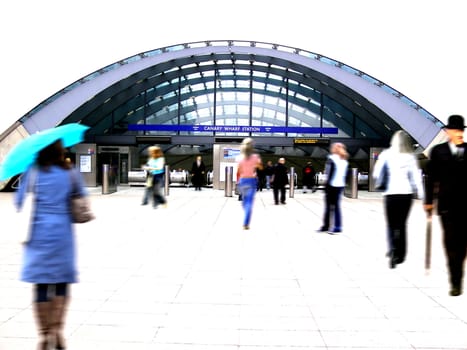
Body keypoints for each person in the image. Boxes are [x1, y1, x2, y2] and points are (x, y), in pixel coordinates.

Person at [14, 139, 87, 350]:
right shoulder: (70, 172)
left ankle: (45, 334)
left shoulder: (32, 173)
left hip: (37, 234)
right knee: (62, 282)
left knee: (41, 285)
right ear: (59, 151)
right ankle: (57, 329)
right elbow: (81, 199)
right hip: (62, 234)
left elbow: (19, 202)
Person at [424, 114, 467, 296]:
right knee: (450, 244)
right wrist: (428, 201)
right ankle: (455, 281)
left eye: (461, 130)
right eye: (455, 129)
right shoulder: (438, 151)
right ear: (447, 131)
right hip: (447, 205)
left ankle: (458, 269)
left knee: (462, 245)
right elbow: (430, 179)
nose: (458, 133)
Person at [373, 130, 424, 269]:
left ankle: (392, 249)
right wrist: (422, 195)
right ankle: (401, 254)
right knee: (401, 224)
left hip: (390, 194)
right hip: (406, 195)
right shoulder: (410, 157)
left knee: (391, 224)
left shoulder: (386, 155)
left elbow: (376, 173)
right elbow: (416, 179)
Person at [318, 142, 349, 234]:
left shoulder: (331, 158)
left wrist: (326, 184)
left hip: (331, 185)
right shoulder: (345, 160)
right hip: (340, 185)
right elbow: (346, 174)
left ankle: (326, 226)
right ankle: (338, 226)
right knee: (336, 207)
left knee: (328, 207)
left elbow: (328, 173)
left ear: (334, 149)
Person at [237, 138, 263, 230]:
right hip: (251, 180)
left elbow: (239, 170)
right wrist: (255, 165)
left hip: (243, 181)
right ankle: (246, 223)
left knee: (245, 202)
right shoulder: (255, 157)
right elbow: (260, 167)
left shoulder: (239, 157)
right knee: (249, 203)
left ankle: (246, 222)